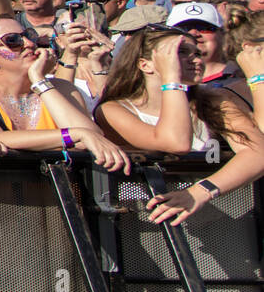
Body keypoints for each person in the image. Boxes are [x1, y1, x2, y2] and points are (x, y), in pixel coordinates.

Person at [94, 25, 264, 225]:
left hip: (216, 215)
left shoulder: (213, 100)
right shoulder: (112, 110)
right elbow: (177, 142)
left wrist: (201, 192)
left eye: (197, 53)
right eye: (180, 52)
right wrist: (171, 79)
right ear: (145, 64)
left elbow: (257, 152)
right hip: (147, 216)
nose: (197, 60)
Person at [0, 14, 130, 170]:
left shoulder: (61, 88)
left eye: (28, 35)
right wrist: (73, 135)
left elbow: (92, 136)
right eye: (13, 40)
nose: (28, 43)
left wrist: (39, 81)